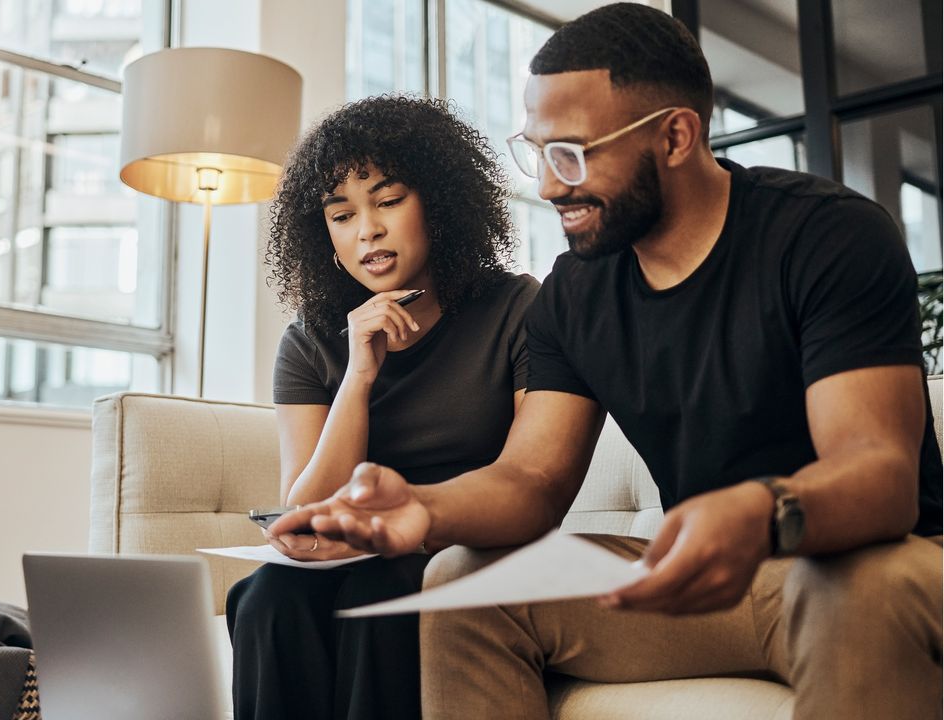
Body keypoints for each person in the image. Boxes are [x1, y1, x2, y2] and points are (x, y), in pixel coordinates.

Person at [272, 5, 944, 720]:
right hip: (699, 584)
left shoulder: (824, 237)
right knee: (464, 581)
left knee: (856, 586)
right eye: (536, 153)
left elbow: (879, 475)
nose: (548, 186)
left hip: (870, 560)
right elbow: (530, 480)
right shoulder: (576, 293)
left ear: (676, 136)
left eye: (572, 153)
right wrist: (423, 507)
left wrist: (757, 510)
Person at [226, 95, 540, 720]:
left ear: (440, 203)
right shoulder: (310, 340)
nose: (366, 228)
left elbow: (529, 479)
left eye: (389, 201)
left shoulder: (515, 309)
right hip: (353, 550)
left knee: (384, 591)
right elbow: (305, 510)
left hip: (465, 544)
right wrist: (359, 375)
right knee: (268, 595)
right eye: (341, 215)